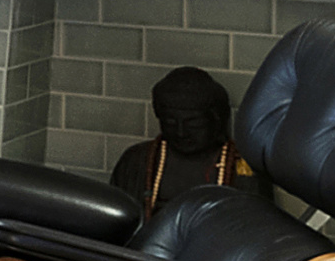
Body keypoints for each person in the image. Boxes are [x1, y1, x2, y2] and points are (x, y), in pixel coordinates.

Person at [108, 65, 253, 214]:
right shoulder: (136, 161)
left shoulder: (241, 167)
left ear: (217, 121)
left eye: (194, 124)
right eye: (170, 123)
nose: (181, 133)